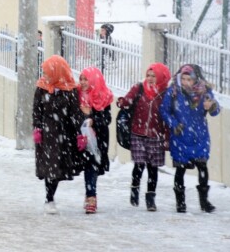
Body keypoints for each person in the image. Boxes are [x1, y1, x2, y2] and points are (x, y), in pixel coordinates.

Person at [159, 64, 220, 213]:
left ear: (196, 80)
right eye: (184, 79)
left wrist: (211, 106)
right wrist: (174, 124)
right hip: (180, 136)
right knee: (180, 170)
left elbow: (215, 111)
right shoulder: (173, 92)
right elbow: (164, 110)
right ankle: (180, 202)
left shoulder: (204, 91)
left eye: (189, 79)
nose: (186, 82)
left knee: (202, 167)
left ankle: (204, 201)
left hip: (199, 136)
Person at [32, 55, 85, 214]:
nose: (45, 76)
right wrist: (37, 128)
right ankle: (49, 198)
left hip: (64, 133)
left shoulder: (70, 90)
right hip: (47, 133)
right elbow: (37, 110)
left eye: (48, 73)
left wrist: (79, 134)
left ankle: (50, 196)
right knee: (50, 166)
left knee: (58, 167)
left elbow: (76, 114)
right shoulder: (41, 88)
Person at [117, 63, 171, 211]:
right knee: (139, 165)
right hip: (138, 133)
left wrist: (166, 138)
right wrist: (123, 102)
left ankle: (151, 198)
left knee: (153, 169)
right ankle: (135, 188)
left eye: (154, 76)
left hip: (156, 136)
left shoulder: (166, 94)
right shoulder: (139, 88)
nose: (150, 78)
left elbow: (168, 116)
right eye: (148, 75)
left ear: (162, 77)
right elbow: (128, 99)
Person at [77, 66, 113, 214]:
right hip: (80, 138)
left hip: (97, 139)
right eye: (81, 79)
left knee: (92, 165)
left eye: (86, 79)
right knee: (86, 165)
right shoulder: (76, 95)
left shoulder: (102, 96)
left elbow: (107, 118)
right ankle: (90, 193)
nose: (83, 82)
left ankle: (91, 196)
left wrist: (92, 117)